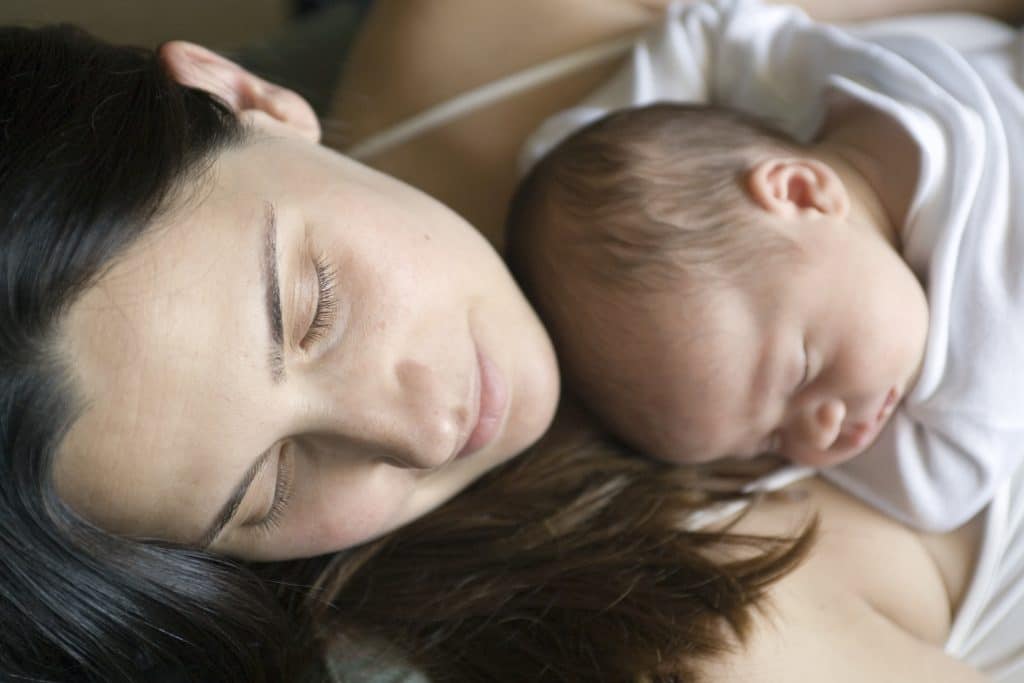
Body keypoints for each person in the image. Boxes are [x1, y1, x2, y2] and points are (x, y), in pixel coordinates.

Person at [1, 0, 1020, 680]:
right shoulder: (692, 621)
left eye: (314, 309)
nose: (420, 430)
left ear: (242, 95)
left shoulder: (489, 26)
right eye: (271, 487)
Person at [504, 0, 1024, 536]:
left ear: (798, 191)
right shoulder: (805, 85)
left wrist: (560, 153)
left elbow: (940, 489)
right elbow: (711, 30)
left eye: (802, 371)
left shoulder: (989, 307)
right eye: (770, 445)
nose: (820, 435)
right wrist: (565, 143)